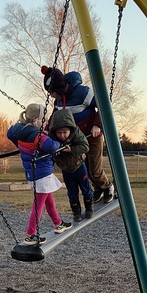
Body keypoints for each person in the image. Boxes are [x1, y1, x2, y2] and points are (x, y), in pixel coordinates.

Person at [41, 65, 114, 204]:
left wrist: (97, 125)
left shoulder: (83, 93)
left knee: (94, 170)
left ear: (59, 87)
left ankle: (107, 187)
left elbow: (104, 106)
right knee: (84, 168)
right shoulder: (59, 101)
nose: (51, 95)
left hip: (92, 137)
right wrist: (46, 130)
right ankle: (98, 189)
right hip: (77, 140)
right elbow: (55, 117)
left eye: (52, 92)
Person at [7, 103, 72, 244]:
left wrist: (21, 146)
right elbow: (52, 146)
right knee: (38, 206)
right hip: (42, 173)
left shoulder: (17, 130)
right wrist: (59, 144)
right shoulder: (38, 137)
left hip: (34, 172)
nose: (45, 121)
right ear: (37, 119)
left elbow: (9, 134)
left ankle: (58, 223)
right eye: (43, 118)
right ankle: (30, 234)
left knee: (48, 200)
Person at [48, 108, 94, 221]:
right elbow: (48, 149)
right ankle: (76, 212)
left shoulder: (76, 132)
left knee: (85, 188)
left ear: (70, 129)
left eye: (65, 132)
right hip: (66, 169)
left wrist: (71, 150)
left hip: (79, 165)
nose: (62, 135)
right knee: (72, 192)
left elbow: (85, 146)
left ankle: (89, 208)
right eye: (59, 133)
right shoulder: (52, 137)